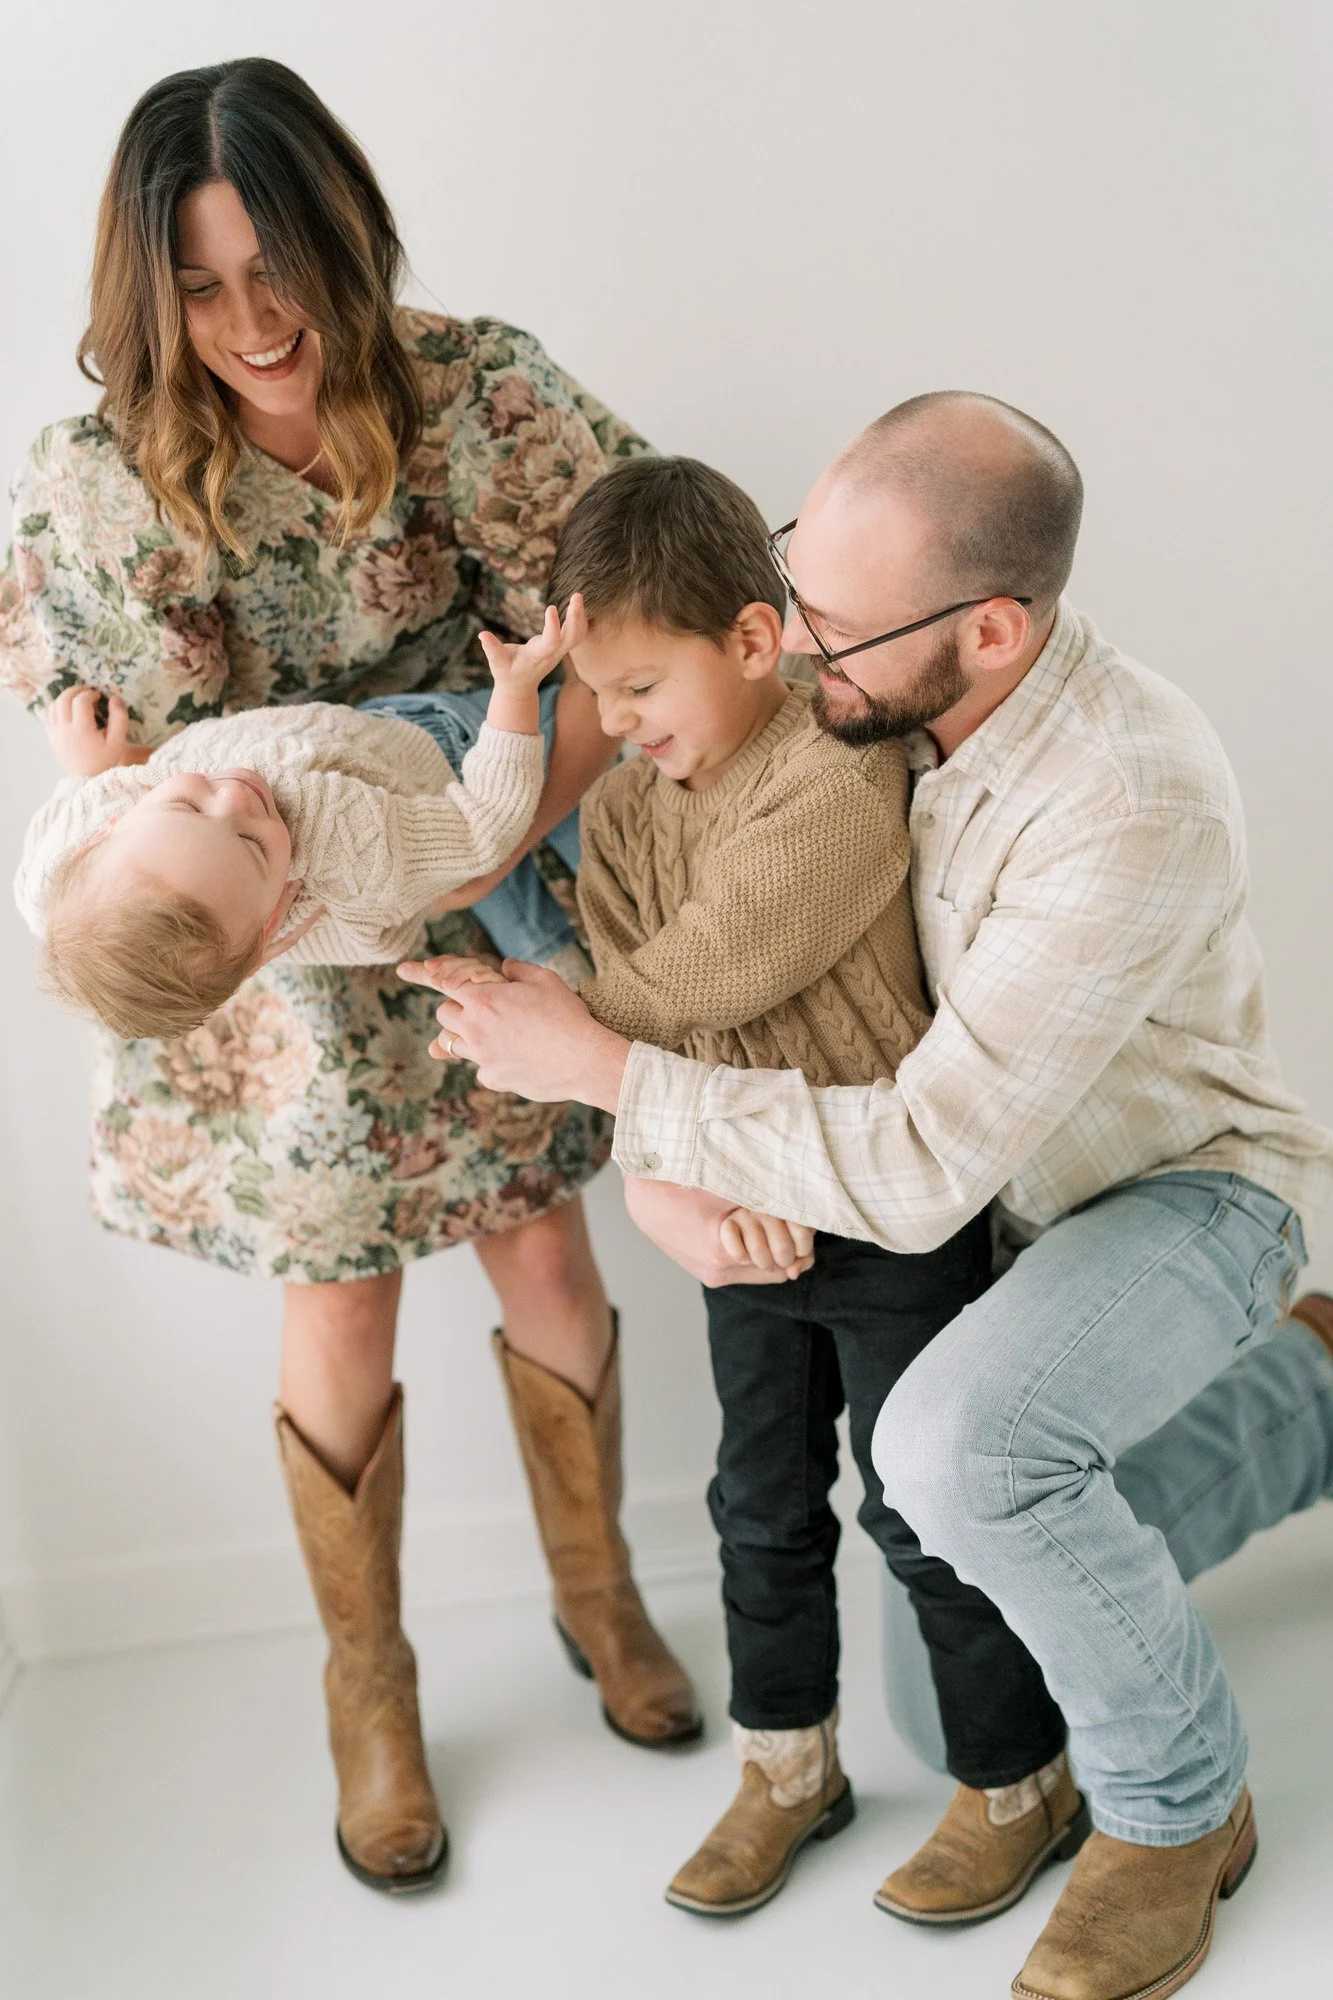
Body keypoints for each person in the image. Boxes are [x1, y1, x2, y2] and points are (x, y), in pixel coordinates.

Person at [406, 393, 1333, 1998]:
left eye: (831, 625)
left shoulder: (1124, 795)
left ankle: (1179, 1811)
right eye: (796, 584)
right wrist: (663, 1179)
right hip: (1000, 1214)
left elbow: (911, 1168)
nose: (794, 644)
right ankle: (1311, 1401)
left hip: (1176, 1197)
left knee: (958, 1459)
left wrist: (609, 1074)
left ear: (989, 630)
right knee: (940, 1656)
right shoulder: (874, 697)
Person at [0, 59, 699, 1898]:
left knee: (546, 1249)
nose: (254, 325)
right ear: (147, 296)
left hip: (491, 845)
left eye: (280, 272)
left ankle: (600, 1597)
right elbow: (125, 777)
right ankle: (367, 1688)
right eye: (201, 291)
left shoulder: (480, 392)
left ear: (348, 237)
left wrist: (482, 838)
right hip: (260, 942)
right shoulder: (98, 476)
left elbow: (629, 637)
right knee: (343, 1304)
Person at [459, 454, 1086, 1922]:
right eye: (596, 696)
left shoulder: (839, 764)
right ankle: (787, 1766)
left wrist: (561, 1032)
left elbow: (716, 966)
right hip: (739, 1225)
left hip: (888, 1208)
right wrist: (680, 1182)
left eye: (639, 687)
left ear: (753, 638)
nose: (617, 724)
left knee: (922, 1509)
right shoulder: (624, 815)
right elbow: (644, 1003)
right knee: (758, 1504)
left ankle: (1017, 1781)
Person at [20, 609, 595, 1043]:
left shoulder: (65, 860)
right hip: (455, 761)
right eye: (251, 845)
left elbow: (55, 880)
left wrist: (88, 770)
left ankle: (554, 956)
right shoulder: (344, 840)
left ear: (105, 830)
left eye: (186, 807)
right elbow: (481, 829)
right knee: (583, 777)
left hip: (398, 793)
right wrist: (514, 695)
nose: (236, 793)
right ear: (271, 919)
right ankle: (575, 987)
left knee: (468, 876)